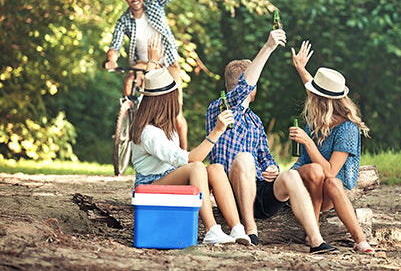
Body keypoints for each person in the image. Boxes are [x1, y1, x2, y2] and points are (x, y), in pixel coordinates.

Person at [206, 30, 338, 253]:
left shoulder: (255, 121)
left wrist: (272, 167)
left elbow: (265, 156)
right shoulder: (219, 108)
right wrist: (268, 47)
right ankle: (250, 230)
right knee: (245, 158)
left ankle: (316, 240)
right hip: (232, 192)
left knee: (290, 175)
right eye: (254, 82)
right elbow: (244, 89)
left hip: (259, 190)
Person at [129, 67, 250, 245]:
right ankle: (211, 230)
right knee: (197, 167)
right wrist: (216, 132)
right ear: (164, 101)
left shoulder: (164, 126)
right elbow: (192, 159)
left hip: (167, 179)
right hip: (149, 186)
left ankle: (237, 228)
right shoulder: (150, 133)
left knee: (216, 169)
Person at [288, 40, 375, 253]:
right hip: (303, 182)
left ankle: (360, 241)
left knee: (332, 182)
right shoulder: (319, 117)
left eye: (314, 96)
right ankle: (314, 231)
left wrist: (307, 141)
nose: (310, 98)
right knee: (315, 170)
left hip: (328, 189)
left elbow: (330, 172)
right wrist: (301, 69)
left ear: (322, 101)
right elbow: (315, 90)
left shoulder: (347, 129)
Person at [104, 0, 188, 150]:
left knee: (176, 114)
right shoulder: (124, 20)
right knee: (129, 80)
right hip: (143, 63)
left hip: (167, 63)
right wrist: (111, 59)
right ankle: (130, 111)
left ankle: (185, 155)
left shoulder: (155, 5)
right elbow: (114, 44)